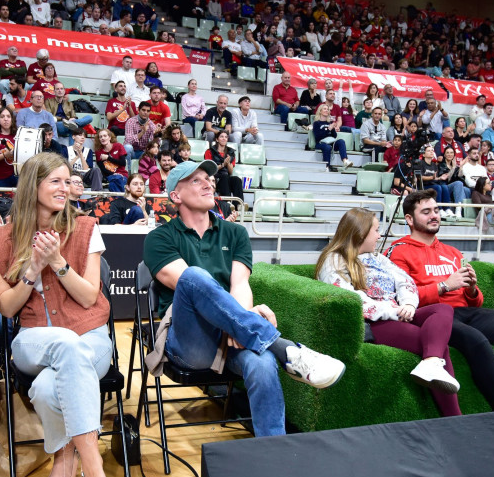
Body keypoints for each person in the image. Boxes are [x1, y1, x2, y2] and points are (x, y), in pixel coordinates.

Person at [143, 160, 346, 438]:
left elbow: (240, 284)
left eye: (209, 179)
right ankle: (286, 349)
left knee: (262, 365)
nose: (208, 183)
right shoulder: (158, 238)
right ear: (175, 197)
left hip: (231, 335)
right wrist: (243, 319)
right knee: (194, 277)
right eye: (195, 180)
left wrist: (237, 322)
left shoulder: (235, 232)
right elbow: (187, 286)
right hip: (189, 340)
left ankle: (273, 450)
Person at [0, 152, 120, 477]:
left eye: (68, 180)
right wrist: (31, 269)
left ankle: (65, 454)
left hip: (89, 336)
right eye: (55, 182)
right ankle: (96, 476)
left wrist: (59, 262)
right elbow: (9, 309)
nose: (65, 188)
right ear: (33, 187)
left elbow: (89, 298)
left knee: (48, 388)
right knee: (62, 344)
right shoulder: (0, 239)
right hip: (33, 341)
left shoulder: (85, 228)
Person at [316, 209, 461, 414]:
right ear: (360, 233)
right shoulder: (333, 261)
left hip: (400, 311)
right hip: (374, 322)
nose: (379, 235)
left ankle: (430, 363)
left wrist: (409, 304)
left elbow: (405, 281)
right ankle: (454, 417)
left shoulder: (377, 257)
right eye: (375, 230)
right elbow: (352, 299)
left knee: (442, 309)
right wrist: (394, 311)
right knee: (436, 347)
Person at [387, 189, 494, 411]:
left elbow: (474, 302)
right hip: (435, 316)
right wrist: (444, 286)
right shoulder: (398, 252)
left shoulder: (451, 251)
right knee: (476, 340)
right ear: (409, 219)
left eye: (436, 210)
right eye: (426, 212)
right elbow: (399, 299)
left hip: (467, 312)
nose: (434, 215)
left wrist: (471, 288)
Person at [204, 130, 244, 200]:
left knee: (237, 180)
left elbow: (230, 172)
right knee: (225, 177)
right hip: (215, 178)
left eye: (226, 137)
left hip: (226, 177)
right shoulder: (209, 151)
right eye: (221, 137)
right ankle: (227, 203)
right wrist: (223, 165)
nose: (224, 138)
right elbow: (210, 170)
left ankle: (238, 204)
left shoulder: (231, 152)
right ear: (217, 139)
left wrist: (228, 162)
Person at [313, 104, 352, 171]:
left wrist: (333, 129)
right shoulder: (316, 123)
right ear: (320, 111)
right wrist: (328, 129)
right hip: (321, 143)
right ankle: (327, 167)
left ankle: (345, 161)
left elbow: (334, 136)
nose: (326, 110)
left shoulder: (330, 122)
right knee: (327, 147)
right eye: (324, 109)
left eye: (327, 109)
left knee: (341, 141)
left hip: (331, 142)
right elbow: (318, 136)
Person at [67, 128, 102, 193]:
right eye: (80, 135)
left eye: (84, 136)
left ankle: (97, 195)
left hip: (84, 175)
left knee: (96, 170)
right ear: (73, 136)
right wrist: (77, 156)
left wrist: (80, 154)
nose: (83, 137)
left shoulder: (88, 151)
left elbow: (86, 169)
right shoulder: (66, 149)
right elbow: (66, 167)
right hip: (71, 173)